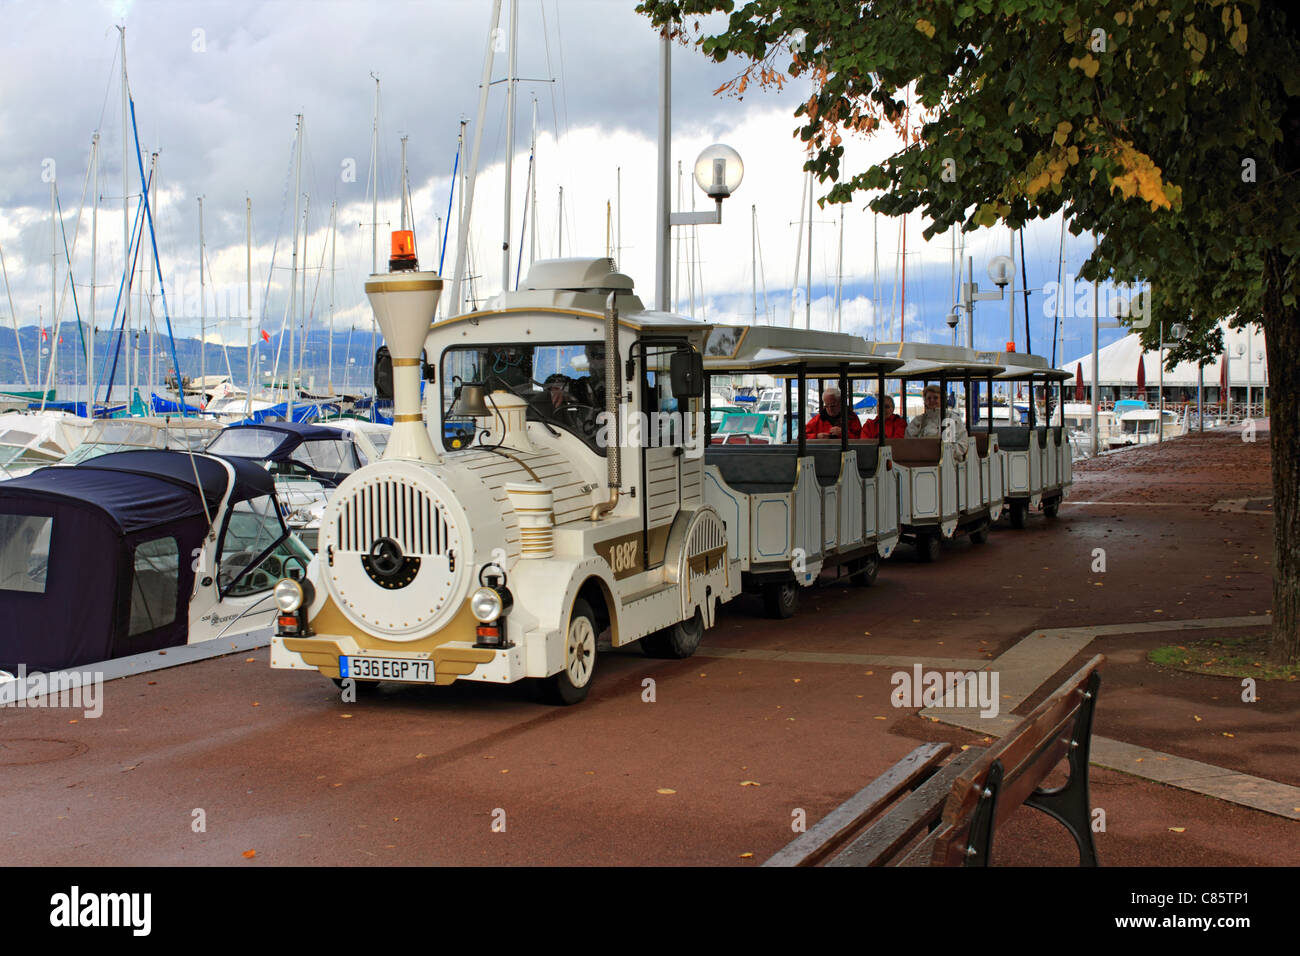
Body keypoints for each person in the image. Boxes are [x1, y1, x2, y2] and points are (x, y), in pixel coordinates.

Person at [906, 384, 970, 459]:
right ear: (925, 401)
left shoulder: (952, 419)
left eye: (935, 398)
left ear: (943, 400)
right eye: (929, 398)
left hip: (950, 463)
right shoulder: (918, 421)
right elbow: (909, 443)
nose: (932, 400)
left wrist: (943, 453)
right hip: (922, 461)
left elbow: (962, 444)